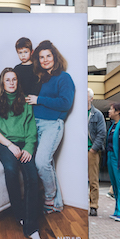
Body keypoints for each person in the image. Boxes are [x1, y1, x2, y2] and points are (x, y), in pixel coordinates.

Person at [0, 68, 44, 239]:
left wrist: (28, 148)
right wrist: (10, 145)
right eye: (8, 80)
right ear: (2, 83)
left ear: (17, 82)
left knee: (32, 177)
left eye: (14, 79)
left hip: (24, 144)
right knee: (10, 171)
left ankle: (31, 227)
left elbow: (31, 129)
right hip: (3, 144)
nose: (11, 82)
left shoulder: (25, 102)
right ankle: (19, 215)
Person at [26, 40, 75, 214]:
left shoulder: (64, 77)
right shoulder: (41, 79)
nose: (45, 60)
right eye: (41, 57)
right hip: (35, 125)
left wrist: (38, 100)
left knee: (41, 162)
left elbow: (65, 103)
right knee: (47, 163)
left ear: (55, 56)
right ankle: (56, 203)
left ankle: (49, 197)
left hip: (52, 125)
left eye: (48, 56)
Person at [87, 88, 106, 216]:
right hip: (78, 151)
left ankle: (93, 206)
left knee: (93, 180)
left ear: (91, 98)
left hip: (91, 151)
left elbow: (102, 133)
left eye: (86, 96)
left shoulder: (97, 114)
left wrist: (94, 149)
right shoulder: (76, 112)